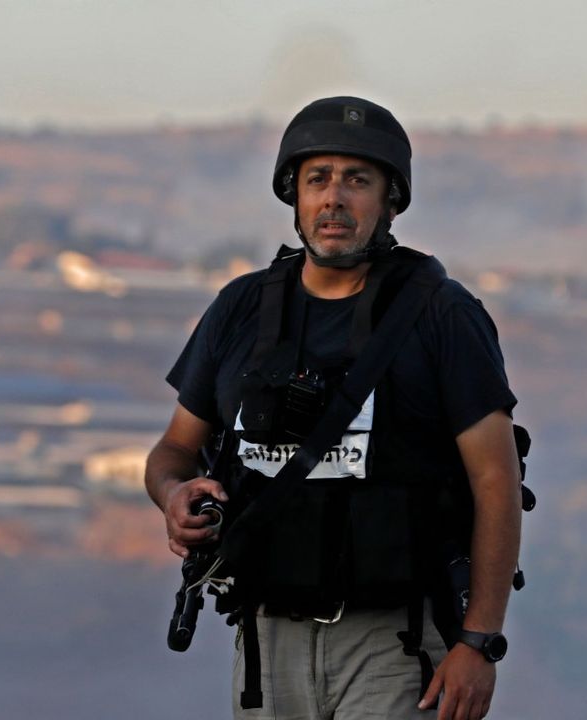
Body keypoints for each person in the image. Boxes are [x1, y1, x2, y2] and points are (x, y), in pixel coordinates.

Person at [144, 96, 523, 720]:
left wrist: (479, 642)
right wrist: (171, 494)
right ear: (294, 196)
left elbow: (496, 479)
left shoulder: (441, 315)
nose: (334, 198)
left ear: (391, 199)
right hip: (266, 641)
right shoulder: (240, 309)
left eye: (357, 180)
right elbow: (175, 450)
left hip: (394, 645)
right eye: (317, 179)